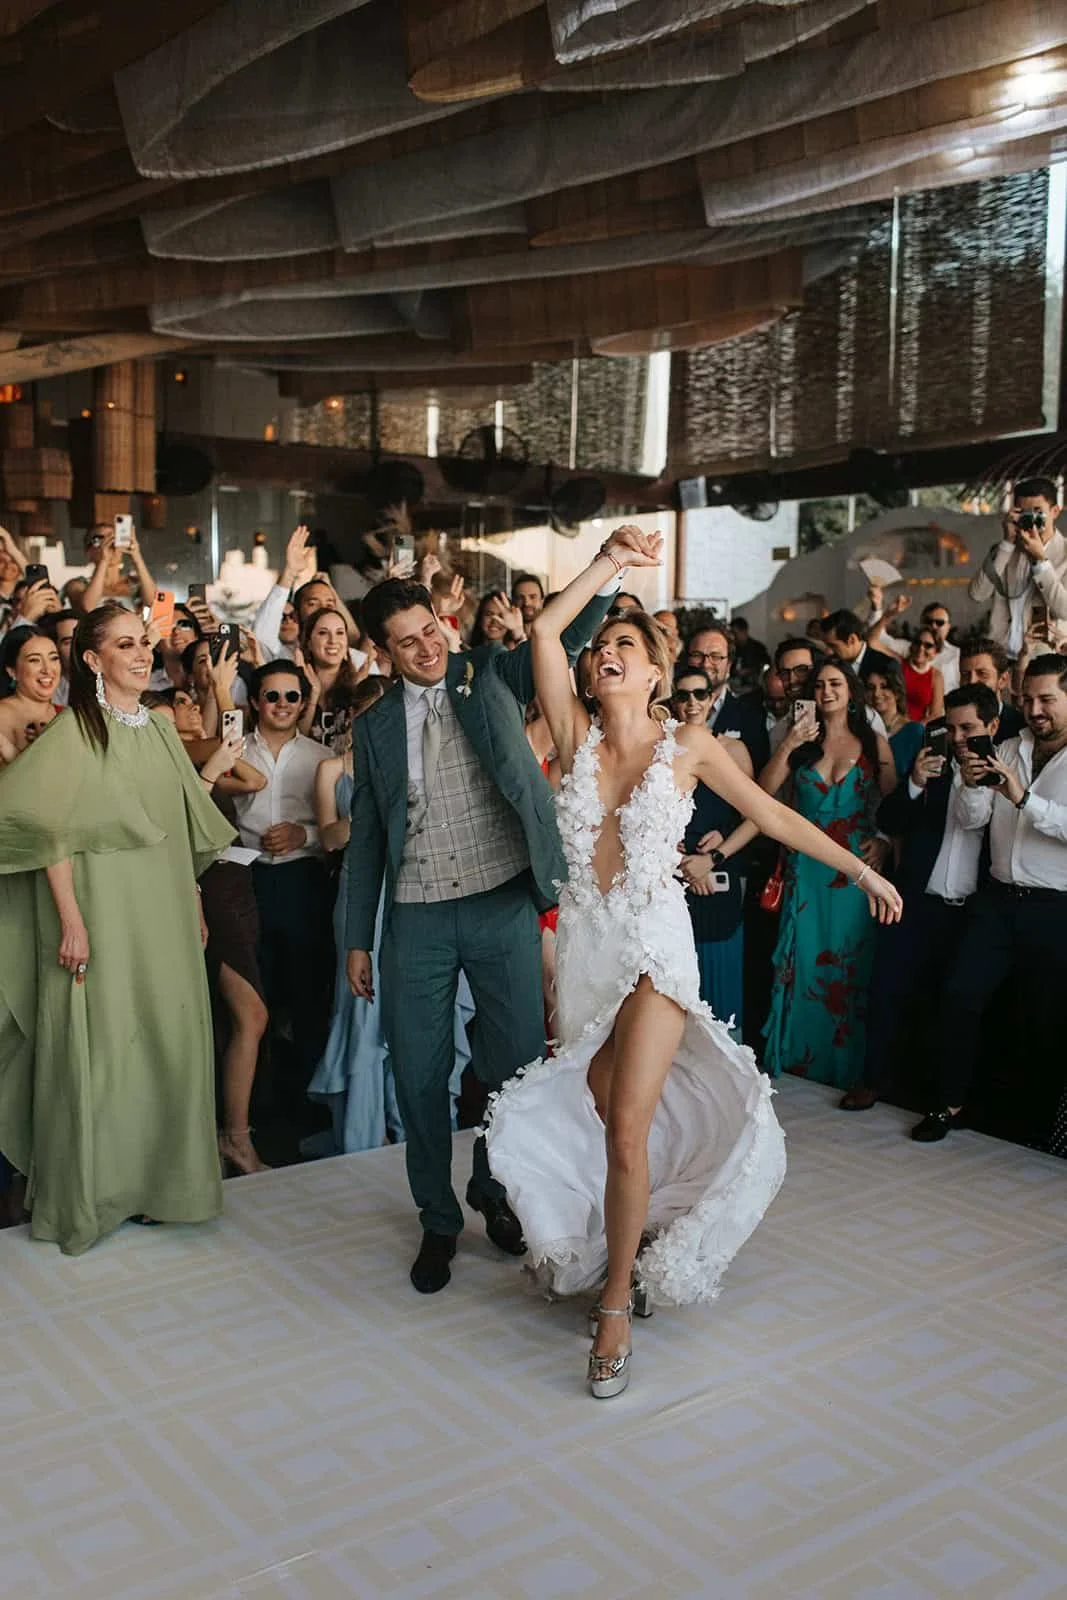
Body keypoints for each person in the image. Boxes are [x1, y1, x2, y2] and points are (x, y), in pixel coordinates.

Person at [484, 529, 900, 1400]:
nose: (603, 653)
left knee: (625, 1128)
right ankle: (639, 1235)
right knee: (609, 1116)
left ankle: (612, 1309)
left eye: (622, 646)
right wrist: (608, 563)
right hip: (589, 953)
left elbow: (775, 818)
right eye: (600, 646)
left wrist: (861, 870)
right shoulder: (571, 734)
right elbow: (545, 632)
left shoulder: (689, 746)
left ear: (652, 673)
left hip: (656, 946)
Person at [345, 553, 625, 1296]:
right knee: (418, 1073)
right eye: (406, 642)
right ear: (383, 651)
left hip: (502, 900)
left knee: (515, 1066)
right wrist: (356, 937)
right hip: (416, 915)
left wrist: (612, 572)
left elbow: (564, 636)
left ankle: (492, 1187)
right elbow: (367, 837)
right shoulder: (373, 727)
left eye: (429, 630)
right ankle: (437, 1219)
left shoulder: (491, 672)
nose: (425, 648)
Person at [0, 603, 234, 1253]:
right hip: (100, 912)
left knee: (165, 1040)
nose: (140, 653)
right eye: (124, 644)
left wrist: (192, 897)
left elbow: (179, 822)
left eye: (143, 643)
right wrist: (70, 920)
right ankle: (98, 1193)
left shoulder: (158, 727)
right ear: (93, 659)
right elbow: (43, 829)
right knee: (108, 1051)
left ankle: (160, 1185)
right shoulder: (74, 731)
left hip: (164, 908)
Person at [911, 654, 1067, 1145]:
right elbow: (973, 820)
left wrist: (1024, 798)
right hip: (997, 900)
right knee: (961, 994)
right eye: (1028, 699)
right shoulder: (1008, 747)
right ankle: (950, 1104)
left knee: (1044, 1016)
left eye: (1047, 699)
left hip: (1055, 908)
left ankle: (1038, 1126)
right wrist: (973, 785)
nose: (1035, 710)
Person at [841, 685, 999, 1114]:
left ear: (991, 727)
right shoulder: (933, 761)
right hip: (916, 899)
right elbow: (889, 819)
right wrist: (914, 782)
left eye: (968, 728)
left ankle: (937, 1098)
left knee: (949, 1004)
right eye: (952, 728)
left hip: (973, 910)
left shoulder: (1005, 771)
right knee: (888, 989)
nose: (958, 738)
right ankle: (874, 1079)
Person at [761, 658, 896, 1090]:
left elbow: (896, 809)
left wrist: (885, 841)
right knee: (802, 965)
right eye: (819, 685)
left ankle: (847, 1072)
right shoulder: (800, 742)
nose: (826, 691)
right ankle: (798, 1066)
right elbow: (761, 794)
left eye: (835, 683)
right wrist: (789, 743)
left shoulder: (874, 743)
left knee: (849, 969)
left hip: (856, 875)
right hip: (805, 871)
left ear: (851, 690)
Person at [235, 661, 335, 1116]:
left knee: (308, 993)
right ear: (256, 701)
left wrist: (304, 835)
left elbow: (337, 825)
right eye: (272, 696)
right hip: (248, 878)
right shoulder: (233, 751)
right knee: (255, 997)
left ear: (303, 702)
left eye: (291, 696)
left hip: (302, 882)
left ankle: (310, 1107)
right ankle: (258, 1106)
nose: (282, 704)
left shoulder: (320, 756)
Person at [670, 667, 748, 1036]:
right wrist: (677, 860)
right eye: (683, 695)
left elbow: (756, 817)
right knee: (676, 993)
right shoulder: (661, 749)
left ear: (712, 698)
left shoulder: (732, 749)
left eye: (699, 694)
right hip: (671, 878)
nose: (692, 702)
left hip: (720, 873)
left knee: (720, 995)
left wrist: (714, 857)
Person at [968, 478, 1067, 656]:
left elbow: (1065, 611)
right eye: (1024, 513)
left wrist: (1041, 561)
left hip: (1043, 659)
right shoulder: (1005, 551)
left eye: (1038, 512)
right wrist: (1007, 543)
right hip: (1001, 656)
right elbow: (977, 594)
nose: (1031, 519)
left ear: (1055, 511)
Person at [685, 623, 769, 771]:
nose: (706, 664)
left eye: (715, 656)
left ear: (729, 664)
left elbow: (758, 773)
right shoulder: (667, 711)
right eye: (697, 655)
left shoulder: (751, 715)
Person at [297, 605, 366, 744]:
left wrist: (361, 698)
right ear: (308, 643)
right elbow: (295, 744)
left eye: (340, 633)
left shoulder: (360, 686)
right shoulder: (295, 686)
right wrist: (314, 695)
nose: (333, 640)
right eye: (323, 633)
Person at [866, 590, 960, 692]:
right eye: (928, 621)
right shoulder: (909, 648)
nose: (933, 626)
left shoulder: (956, 653)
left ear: (948, 627)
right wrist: (882, 611)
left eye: (939, 622)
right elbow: (877, 639)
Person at [0, 627, 62, 763]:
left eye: (54, 658)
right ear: (12, 671)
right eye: (34, 660)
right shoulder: (2, 716)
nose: (47, 669)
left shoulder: (67, 715)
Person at [959, 635, 1024, 740]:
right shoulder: (943, 728)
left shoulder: (1023, 728)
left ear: (1003, 680)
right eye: (965, 674)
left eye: (982, 674)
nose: (971, 681)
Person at [865, 664, 924, 780]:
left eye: (884, 686)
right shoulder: (861, 729)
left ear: (897, 692)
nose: (876, 693)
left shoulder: (914, 731)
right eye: (871, 688)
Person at [824, 609, 899, 683]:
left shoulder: (886, 665)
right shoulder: (829, 664)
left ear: (852, 639)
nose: (828, 651)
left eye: (833, 646)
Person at [730, 616, 770, 691]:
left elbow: (767, 666)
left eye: (735, 633)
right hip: (735, 687)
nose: (733, 636)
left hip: (754, 688)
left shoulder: (758, 648)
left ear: (744, 631)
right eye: (731, 633)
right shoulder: (732, 649)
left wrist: (750, 671)